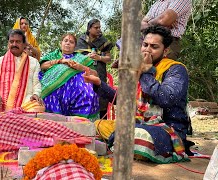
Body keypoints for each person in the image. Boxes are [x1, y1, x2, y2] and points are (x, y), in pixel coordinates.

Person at [84, 25, 192, 163]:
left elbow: (165, 99)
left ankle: (118, 140)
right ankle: (120, 140)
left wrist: (146, 70)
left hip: (167, 129)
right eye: (145, 45)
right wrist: (98, 83)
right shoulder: (138, 69)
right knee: (96, 125)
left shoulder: (176, 69)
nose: (147, 49)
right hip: (138, 124)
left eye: (154, 47)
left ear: (165, 51)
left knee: (137, 135)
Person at [40, 33, 99, 121]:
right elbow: (42, 66)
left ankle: (81, 123)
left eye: (71, 42)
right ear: (61, 43)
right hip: (52, 87)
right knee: (50, 95)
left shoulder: (82, 58)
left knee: (88, 93)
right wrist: (61, 61)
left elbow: (95, 74)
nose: (68, 43)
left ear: (75, 46)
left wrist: (81, 67)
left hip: (77, 89)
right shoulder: (53, 55)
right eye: (66, 41)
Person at [75, 19, 113, 119]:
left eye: (99, 27)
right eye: (96, 27)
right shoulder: (81, 41)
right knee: (84, 96)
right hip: (84, 73)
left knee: (101, 97)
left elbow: (109, 58)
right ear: (89, 28)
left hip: (99, 72)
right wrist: (86, 56)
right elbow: (75, 57)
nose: (98, 30)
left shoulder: (104, 41)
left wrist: (99, 57)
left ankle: (101, 124)